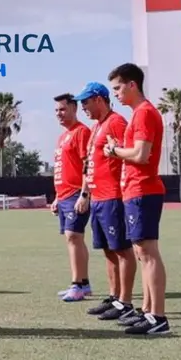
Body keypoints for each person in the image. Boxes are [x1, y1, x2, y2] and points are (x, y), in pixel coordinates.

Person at [104, 63, 170, 335]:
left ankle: (158, 317)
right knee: (143, 253)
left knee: (148, 253)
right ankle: (148, 311)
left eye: (118, 88)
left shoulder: (144, 113)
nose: (116, 94)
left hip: (143, 189)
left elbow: (141, 154)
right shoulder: (139, 113)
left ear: (132, 85)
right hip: (136, 190)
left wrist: (114, 150)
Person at [74, 82, 138, 322]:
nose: (83, 108)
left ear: (99, 99)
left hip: (113, 197)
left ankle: (126, 302)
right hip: (98, 198)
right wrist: (85, 193)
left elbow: (128, 153)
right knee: (109, 251)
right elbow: (89, 164)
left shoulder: (116, 122)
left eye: (85, 102)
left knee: (122, 250)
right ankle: (114, 297)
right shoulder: (96, 127)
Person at [51, 93, 92, 303]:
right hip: (64, 195)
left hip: (76, 193)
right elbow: (62, 169)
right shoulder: (62, 137)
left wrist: (85, 194)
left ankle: (77, 285)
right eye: (56, 110)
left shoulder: (82, 132)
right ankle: (83, 284)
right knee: (75, 238)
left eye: (63, 109)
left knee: (73, 236)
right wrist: (57, 197)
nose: (59, 113)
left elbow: (88, 165)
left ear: (74, 109)